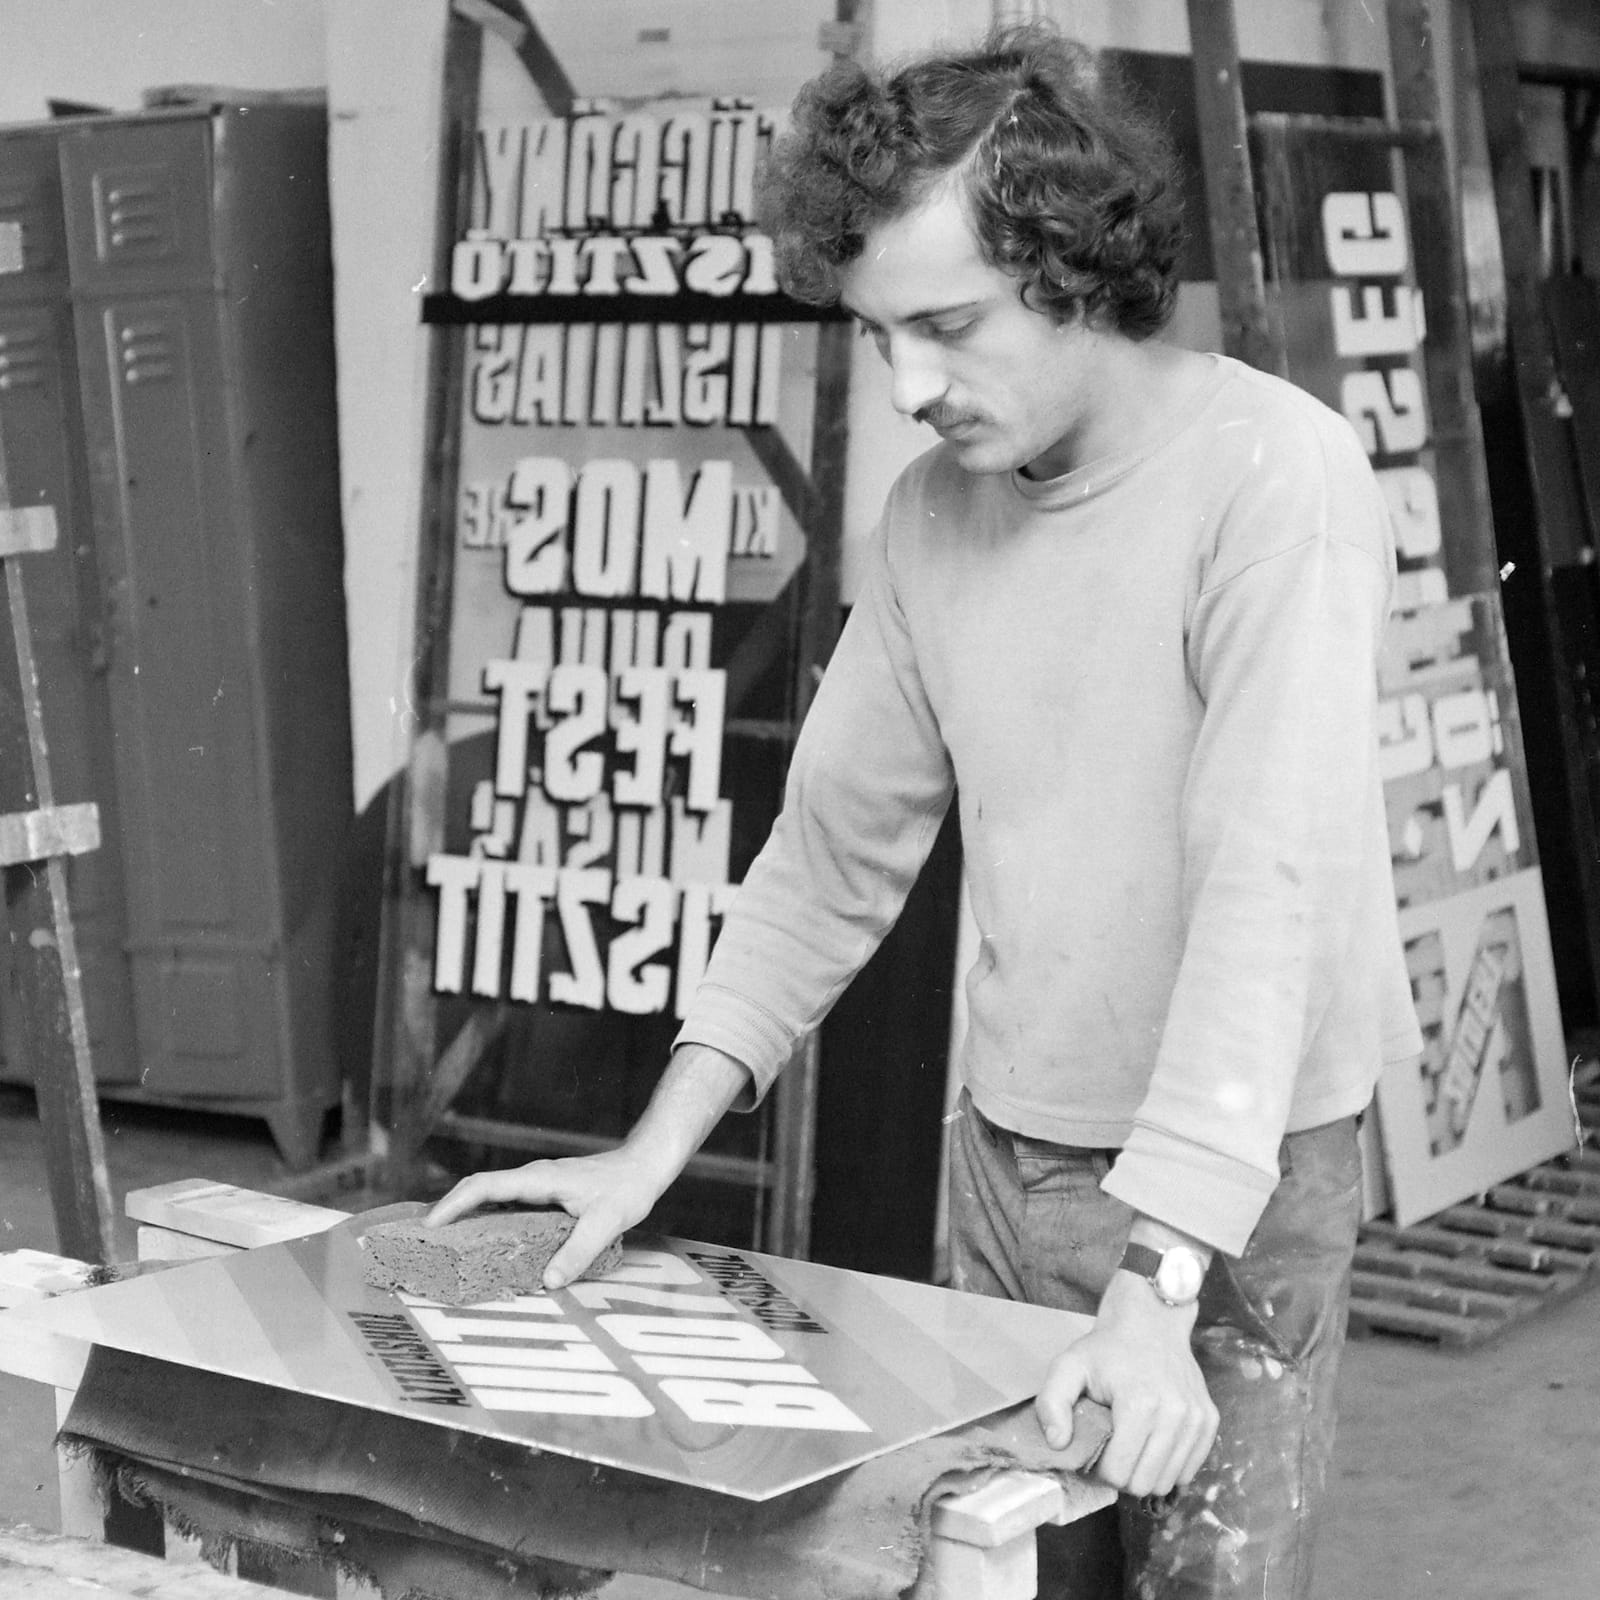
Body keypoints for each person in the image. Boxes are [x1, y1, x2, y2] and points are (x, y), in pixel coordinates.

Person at [428, 22, 1423, 1597]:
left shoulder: (1272, 478)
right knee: (992, 1572)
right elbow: (825, 857)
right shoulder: (929, 521)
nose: (906, 386)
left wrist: (1159, 1287)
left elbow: (1270, 893)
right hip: (1009, 1146)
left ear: (1078, 266)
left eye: (947, 325)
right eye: (879, 334)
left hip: (1235, 1191)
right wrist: (650, 1151)